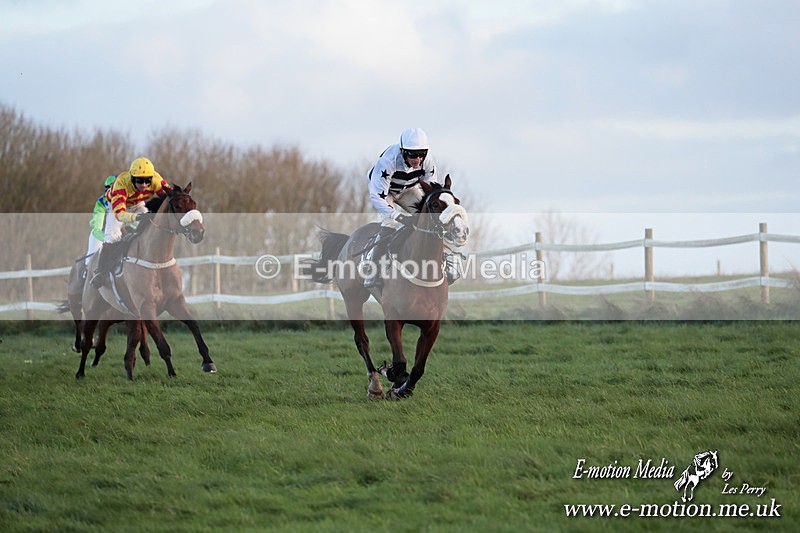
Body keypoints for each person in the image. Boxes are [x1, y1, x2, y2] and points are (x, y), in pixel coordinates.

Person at [363, 128, 440, 288]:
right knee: (390, 224)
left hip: (409, 189)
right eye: (412, 154)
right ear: (403, 151)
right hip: (386, 192)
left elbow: (430, 189)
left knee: (430, 219)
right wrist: (396, 216)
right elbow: (377, 196)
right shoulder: (388, 161)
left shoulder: (428, 160)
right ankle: (373, 268)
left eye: (421, 154)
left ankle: (443, 261)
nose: (417, 159)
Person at [90, 157, 169, 288]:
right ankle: (100, 272)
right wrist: (137, 218)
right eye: (140, 181)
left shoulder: (156, 179)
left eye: (147, 181)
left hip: (137, 203)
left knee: (151, 225)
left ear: (152, 177)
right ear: (132, 178)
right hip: (117, 207)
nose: (144, 185)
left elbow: (169, 195)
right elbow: (120, 214)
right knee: (112, 236)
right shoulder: (121, 185)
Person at [82, 175, 116, 276]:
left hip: (119, 234)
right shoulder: (101, 203)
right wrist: (108, 239)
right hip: (101, 234)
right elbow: (97, 229)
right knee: (93, 255)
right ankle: (87, 271)